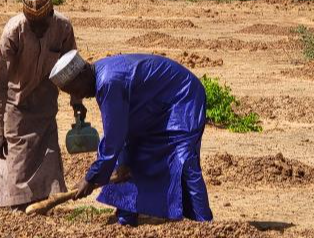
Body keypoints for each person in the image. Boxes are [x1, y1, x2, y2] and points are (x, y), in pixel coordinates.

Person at [49, 51, 213, 226]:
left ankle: (203, 224)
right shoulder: (100, 76)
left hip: (182, 97)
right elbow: (118, 135)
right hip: (154, 105)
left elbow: (113, 141)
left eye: (76, 90)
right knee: (128, 154)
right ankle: (126, 216)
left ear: (83, 73)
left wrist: (91, 178)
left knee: (183, 158)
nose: (79, 95)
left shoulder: (108, 82)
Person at [0, 0, 86, 210]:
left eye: (42, 24)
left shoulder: (63, 27)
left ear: (51, 14)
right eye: (33, 25)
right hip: (16, 107)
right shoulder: (13, 32)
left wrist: (77, 102)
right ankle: (16, 212)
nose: (38, 30)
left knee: (47, 164)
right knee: (17, 168)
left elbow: (73, 70)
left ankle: (42, 209)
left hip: (46, 107)